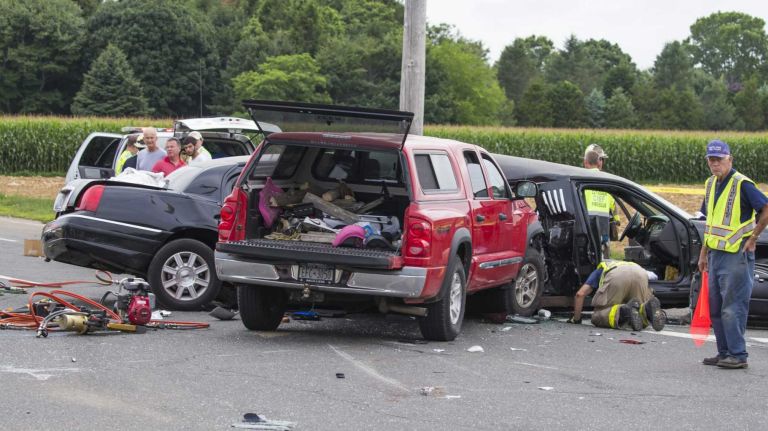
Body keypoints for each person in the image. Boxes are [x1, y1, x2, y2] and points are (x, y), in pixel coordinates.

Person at [698, 140, 768, 369]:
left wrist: (754, 237)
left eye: (719, 159)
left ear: (730, 159)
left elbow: (765, 209)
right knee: (717, 307)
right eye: (711, 159)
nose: (715, 164)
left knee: (733, 306)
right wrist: (703, 253)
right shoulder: (710, 184)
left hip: (736, 255)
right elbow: (710, 223)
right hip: (716, 254)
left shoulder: (742, 184)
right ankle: (724, 352)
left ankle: (738, 354)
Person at [567, 260, 666, 331]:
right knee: (638, 308)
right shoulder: (624, 263)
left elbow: (580, 294)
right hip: (640, 273)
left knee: (598, 316)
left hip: (617, 276)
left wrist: (576, 319)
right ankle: (647, 308)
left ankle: (624, 311)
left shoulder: (601, 269)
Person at [583, 147, 620, 259]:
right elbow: (613, 204)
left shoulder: (583, 180)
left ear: (585, 162)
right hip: (604, 230)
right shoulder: (606, 180)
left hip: (588, 230)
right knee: (605, 261)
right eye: (601, 159)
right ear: (598, 162)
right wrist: (616, 220)